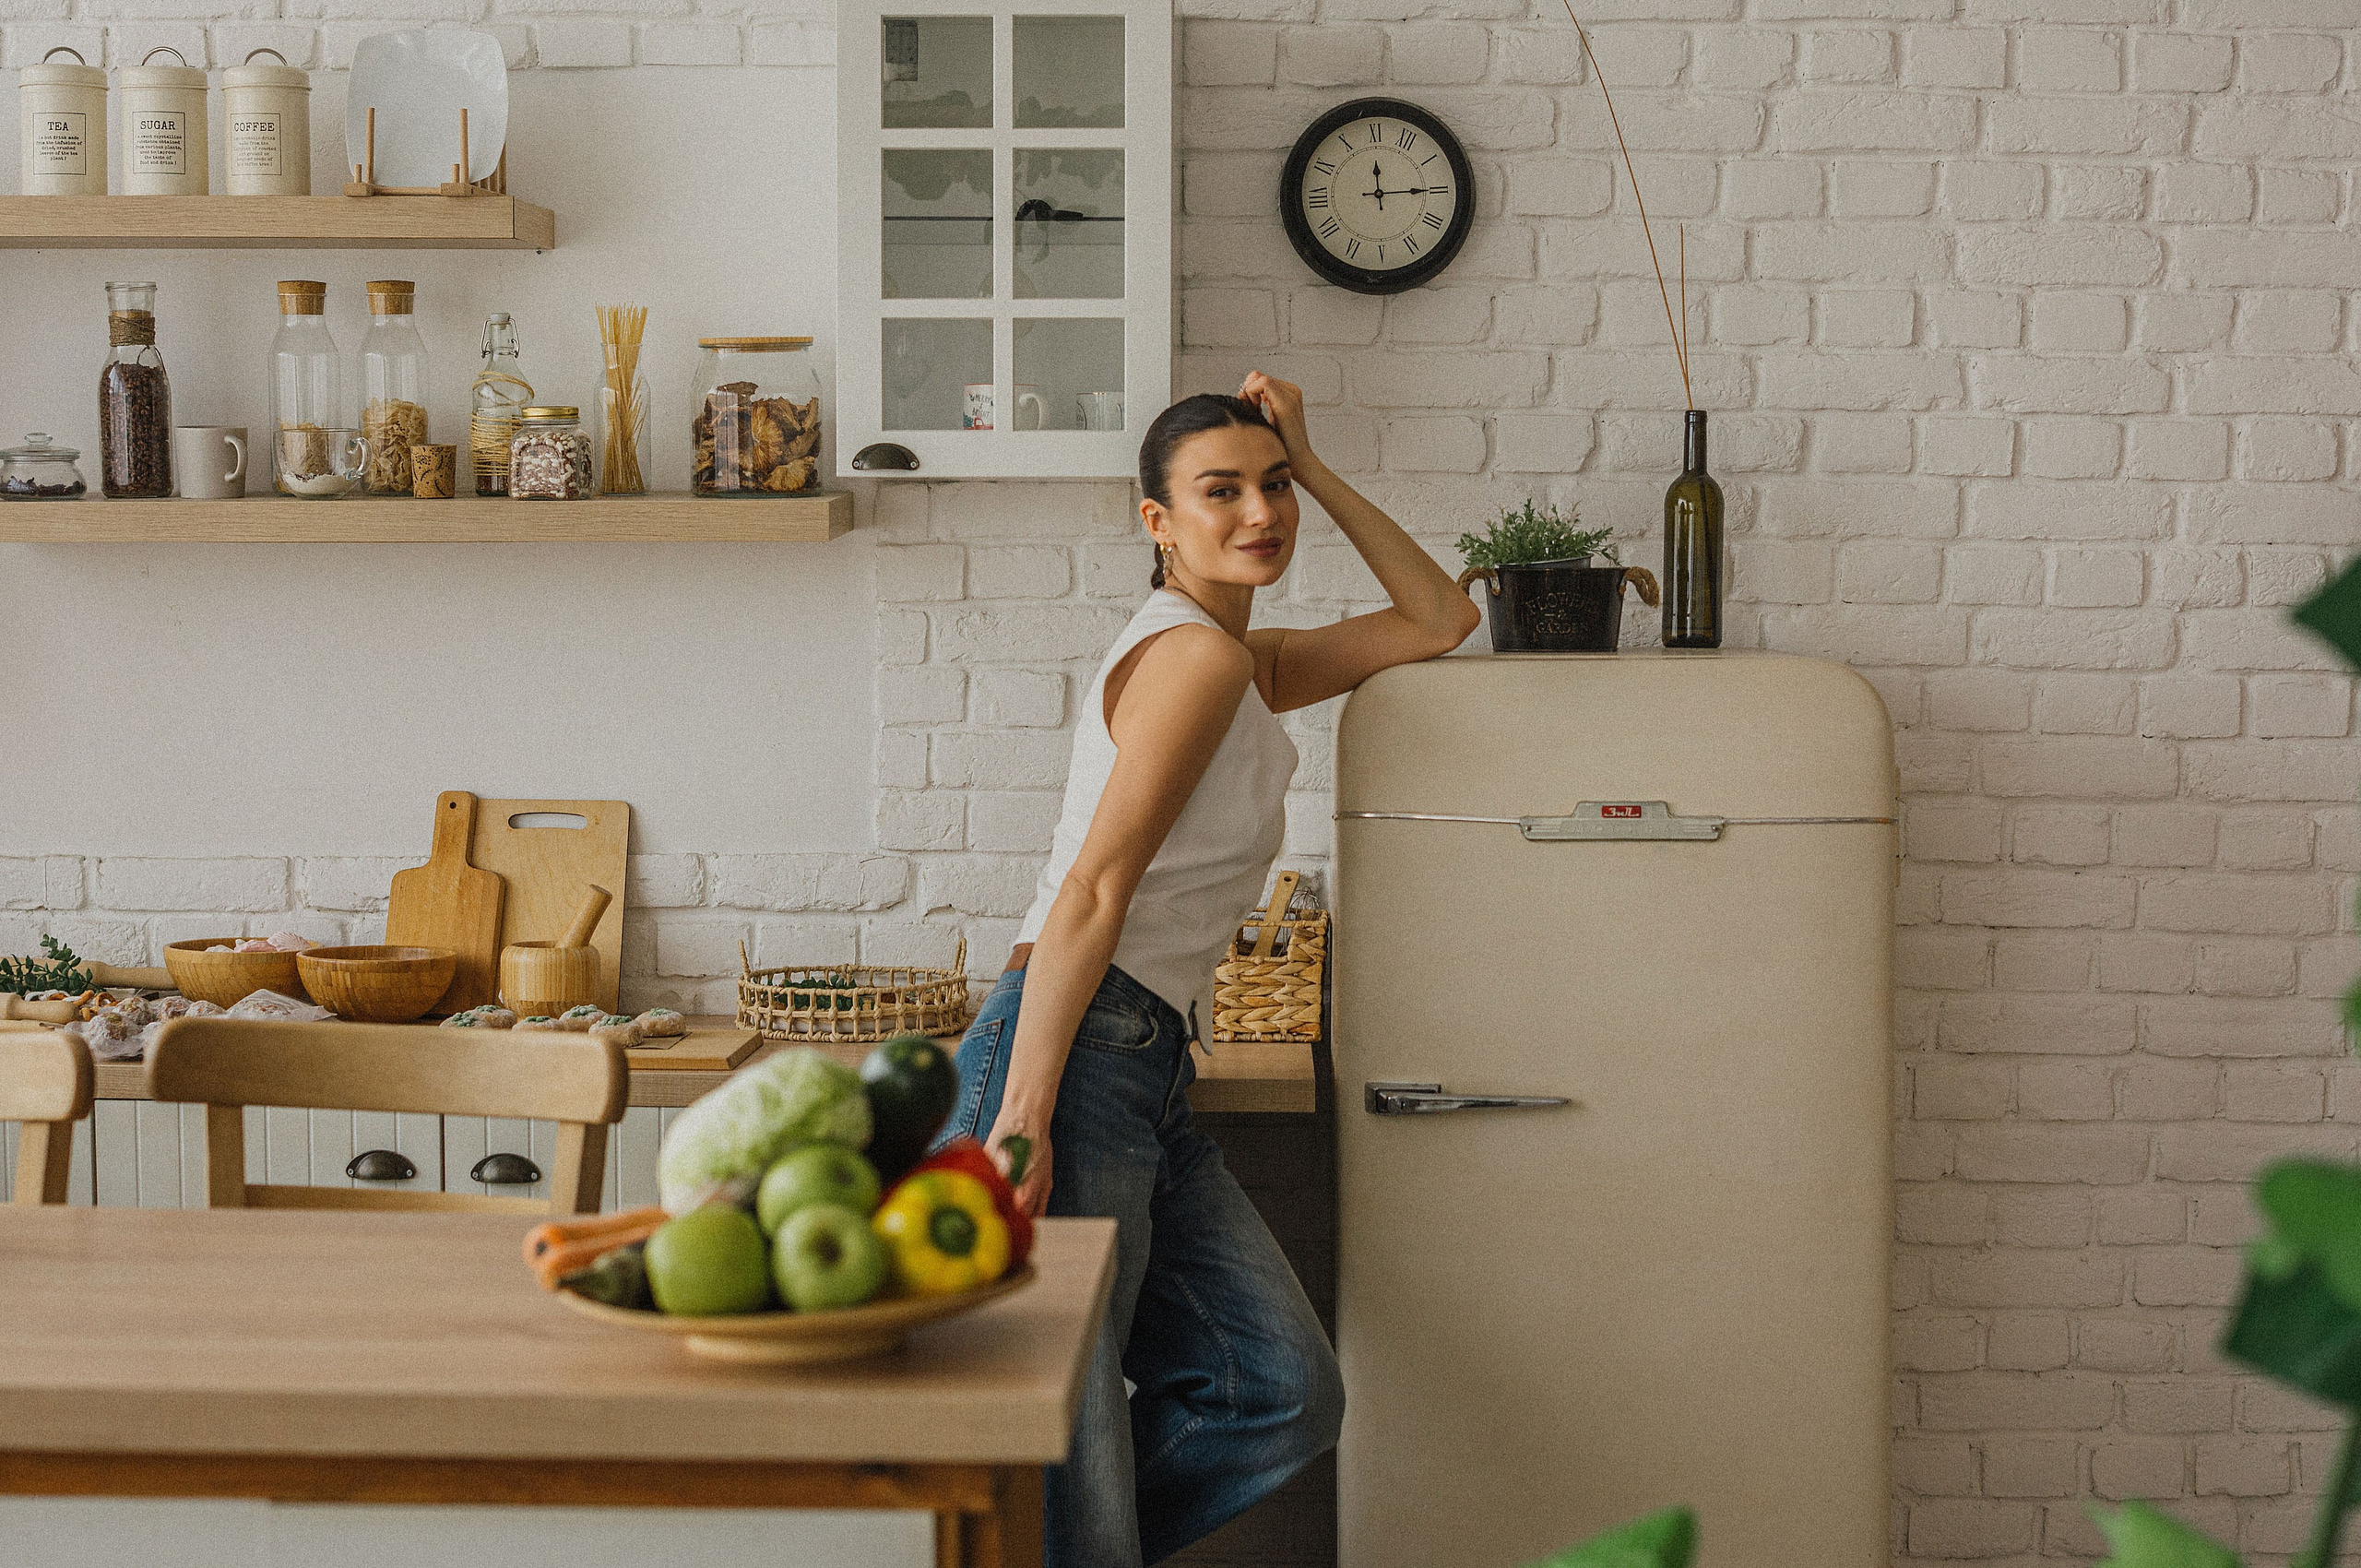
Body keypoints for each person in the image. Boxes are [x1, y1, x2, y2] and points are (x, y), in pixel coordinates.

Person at [944, 372, 1481, 1565]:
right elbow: (1093, 890)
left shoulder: (1240, 665)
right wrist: (1022, 1117)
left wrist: (1318, 460)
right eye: (1220, 491)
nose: (1261, 513)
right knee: (1070, 1435)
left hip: (1136, 1067)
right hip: (1072, 1054)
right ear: (1157, 522)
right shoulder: (1192, 662)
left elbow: (1439, 620)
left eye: (1274, 486)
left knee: (1279, 1390)